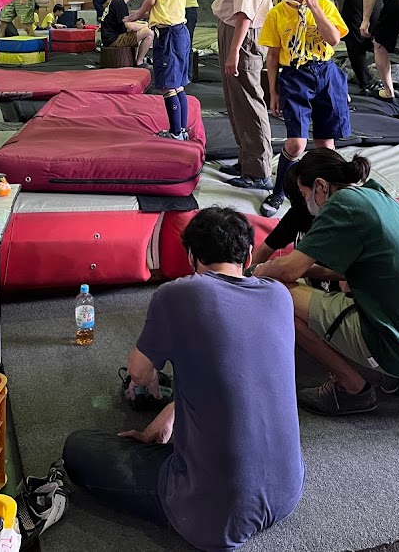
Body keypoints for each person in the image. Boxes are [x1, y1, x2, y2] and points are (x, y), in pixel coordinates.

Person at [63, 207, 305, 551]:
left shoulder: (177, 294)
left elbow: (140, 373)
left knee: (78, 447)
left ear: (191, 256)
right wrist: (166, 421)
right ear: (249, 254)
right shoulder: (279, 295)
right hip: (288, 491)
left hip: (214, 516)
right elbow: (232, 377)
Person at [253, 149, 399, 416]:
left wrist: (255, 272)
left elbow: (289, 270)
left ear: (321, 187)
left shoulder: (342, 204)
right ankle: (398, 374)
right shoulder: (379, 196)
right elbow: (357, 271)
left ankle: (351, 389)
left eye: (304, 196)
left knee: (277, 296)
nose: (306, 205)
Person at [258, 0, 349, 219]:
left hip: (326, 73)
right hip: (294, 76)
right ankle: (280, 190)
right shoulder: (276, 13)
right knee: (296, 143)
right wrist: (273, 91)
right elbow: (272, 56)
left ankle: (329, 195)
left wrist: (315, 8)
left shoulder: (324, 5)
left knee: (326, 144)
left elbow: (334, 39)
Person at [211, 0, 274, 192]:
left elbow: (246, 11)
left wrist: (235, 50)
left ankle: (259, 170)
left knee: (248, 100)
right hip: (234, 30)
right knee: (235, 100)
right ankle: (247, 159)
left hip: (243, 34)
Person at [130, 0, 202, 140]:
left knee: (168, 86)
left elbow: (151, 0)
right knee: (178, 83)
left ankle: (176, 132)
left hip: (167, 33)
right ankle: (182, 130)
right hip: (181, 31)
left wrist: (136, 14)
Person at [100, 0, 154, 66]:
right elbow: (130, 26)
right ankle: (139, 62)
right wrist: (148, 25)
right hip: (113, 40)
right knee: (149, 33)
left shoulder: (118, 1)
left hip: (110, 37)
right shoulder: (120, 4)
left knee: (141, 29)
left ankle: (137, 59)